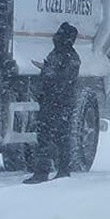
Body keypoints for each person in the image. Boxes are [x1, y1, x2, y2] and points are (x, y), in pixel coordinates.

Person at [24, 22, 80, 184]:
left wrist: (48, 72)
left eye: (59, 35)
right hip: (52, 101)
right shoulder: (58, 54)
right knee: (50, 137)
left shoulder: (70, 57)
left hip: (59, 102)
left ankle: (47, 172)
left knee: (51, 137)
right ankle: (57, 170)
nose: (55, 38)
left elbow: (63, 79)